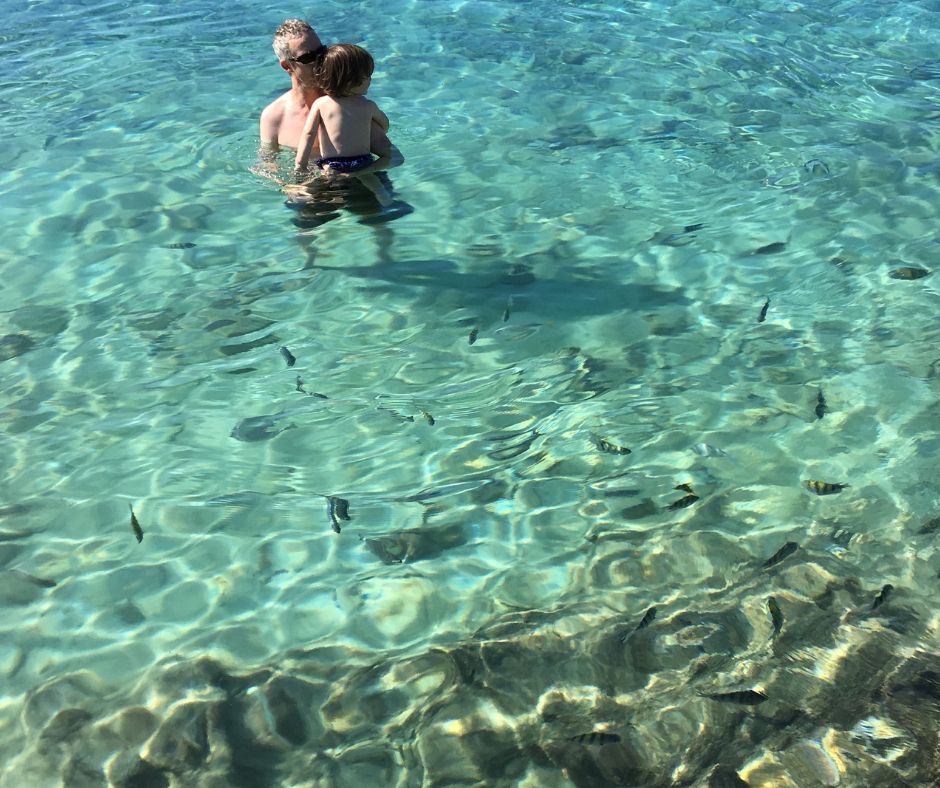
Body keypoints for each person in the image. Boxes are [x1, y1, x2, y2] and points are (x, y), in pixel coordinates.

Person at [293, 44, 394, 206]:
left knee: (311, 190)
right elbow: (384, 124)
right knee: (376, 186)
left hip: (331, 165)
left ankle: (301, 199)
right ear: (352, 80)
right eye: (367, 76)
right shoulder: (367, 105)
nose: (370, 80)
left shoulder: (321, 104)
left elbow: (308, 134)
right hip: (361, 161)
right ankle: (387, 208)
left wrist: (301, 164)